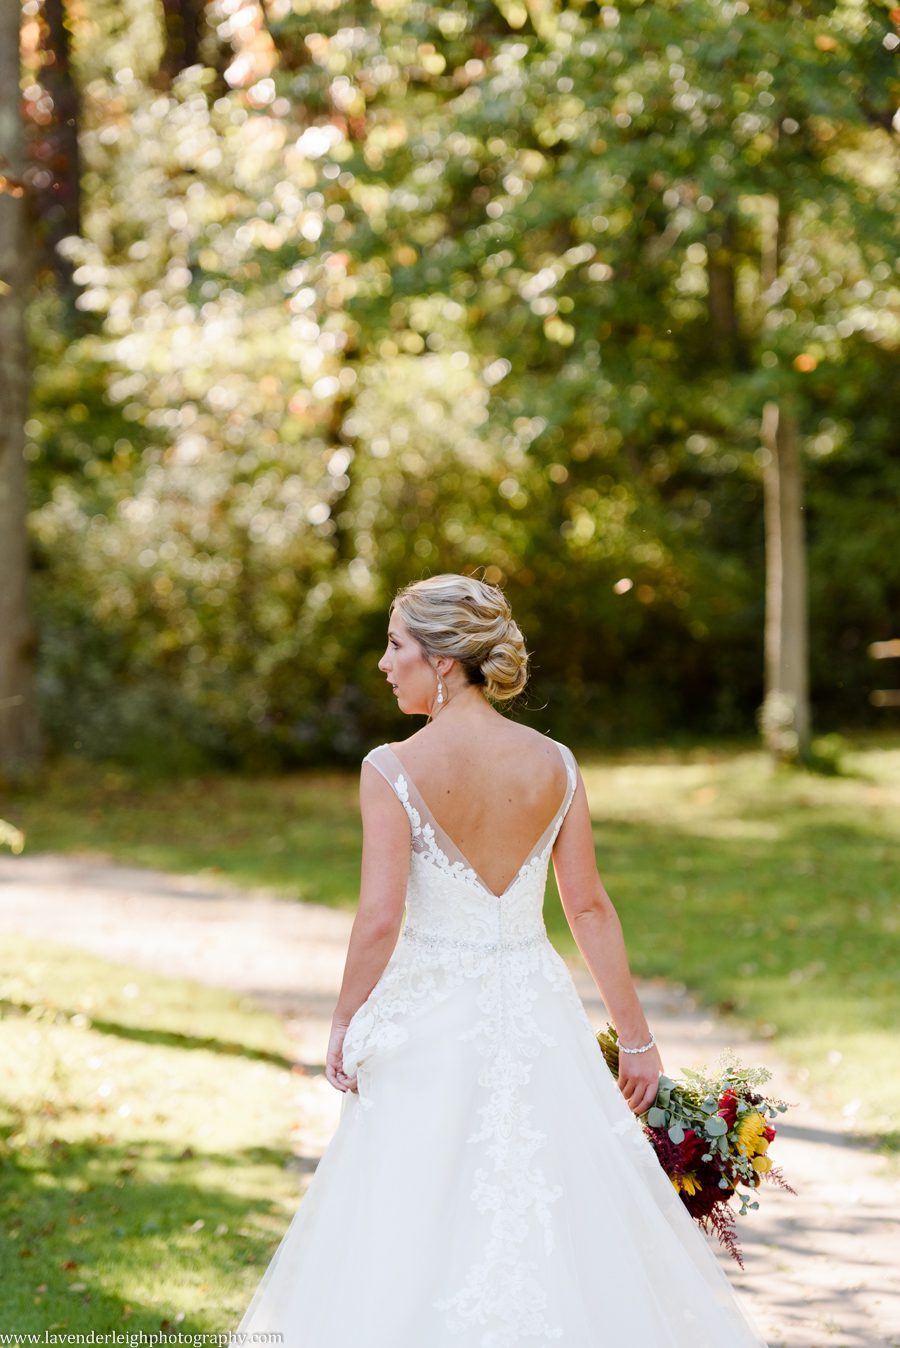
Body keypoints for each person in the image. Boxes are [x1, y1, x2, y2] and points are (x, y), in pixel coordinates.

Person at [230, 573, 770, 1346]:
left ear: (444, 660)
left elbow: (381, 917)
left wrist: (344, 1019)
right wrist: (637, 1038)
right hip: (534, 1010)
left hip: (428, 1016)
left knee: (413, 1210)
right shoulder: (556, 762)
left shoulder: (390, 768)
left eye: (396, 646)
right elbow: (587, 907)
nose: (384, 664)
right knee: (546, 1200)